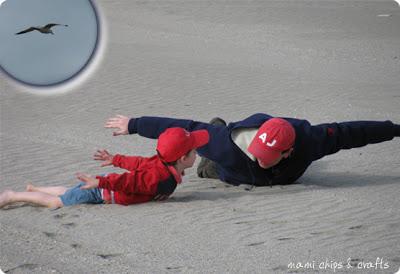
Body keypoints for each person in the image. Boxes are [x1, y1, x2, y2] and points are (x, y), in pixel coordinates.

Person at [103, 114, 400, 187]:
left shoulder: (312, 140)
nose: (262, 160)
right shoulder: (224, 146)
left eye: (268, 158)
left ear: (290, 150)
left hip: (287, 170)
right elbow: (183, 127)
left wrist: (395, 129)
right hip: (231, 169)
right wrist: (135, 124)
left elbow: (353, 132)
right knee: (209, 166)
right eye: (260, 153)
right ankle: (218, 126)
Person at [0, 127, 209, 209]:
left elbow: (138, 163)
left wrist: (115, 159)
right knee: (57, 202)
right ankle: (12, 196)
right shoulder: (160, 178)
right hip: (102, 191)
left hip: (103, 183)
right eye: (194, 152)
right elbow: (130, 182)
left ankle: (34, 189)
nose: (197, 153)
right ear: (182, 158)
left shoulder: (161, 164)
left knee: (68, 191)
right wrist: (100, 182)